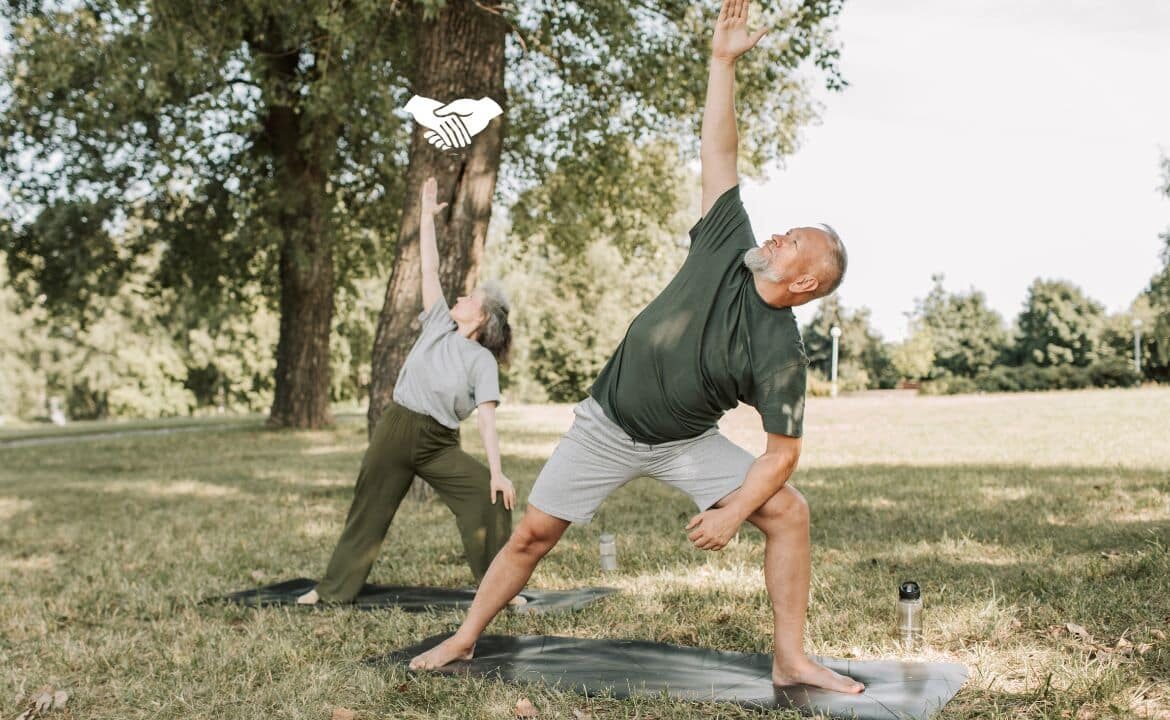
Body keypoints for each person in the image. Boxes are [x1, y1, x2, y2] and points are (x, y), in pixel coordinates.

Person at [411, 0, 863, 695]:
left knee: (789, 511)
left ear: (804, 282)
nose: (775, 237)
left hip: (684, 441)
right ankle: (465, 639)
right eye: (783, 231)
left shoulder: (780, 351)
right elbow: (719, 150)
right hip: (607, 424)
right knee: (532, 536)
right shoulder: (727, 241)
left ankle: (791, 658)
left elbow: (782, 454)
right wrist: (721, 63)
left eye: (791, 241)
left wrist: (734, 510)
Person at [297, 176, 516, 605]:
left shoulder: (482, 361)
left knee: (489, 497)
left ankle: (499, 591)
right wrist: (425, 215)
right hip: (396, 429)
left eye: (469, 297)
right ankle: (332, 591)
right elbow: (429, 266)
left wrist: (496, 471)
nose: (460, 295)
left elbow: (487, 421)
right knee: (368, 509)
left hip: (438, 444)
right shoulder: (438, 322)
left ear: (482, 318)